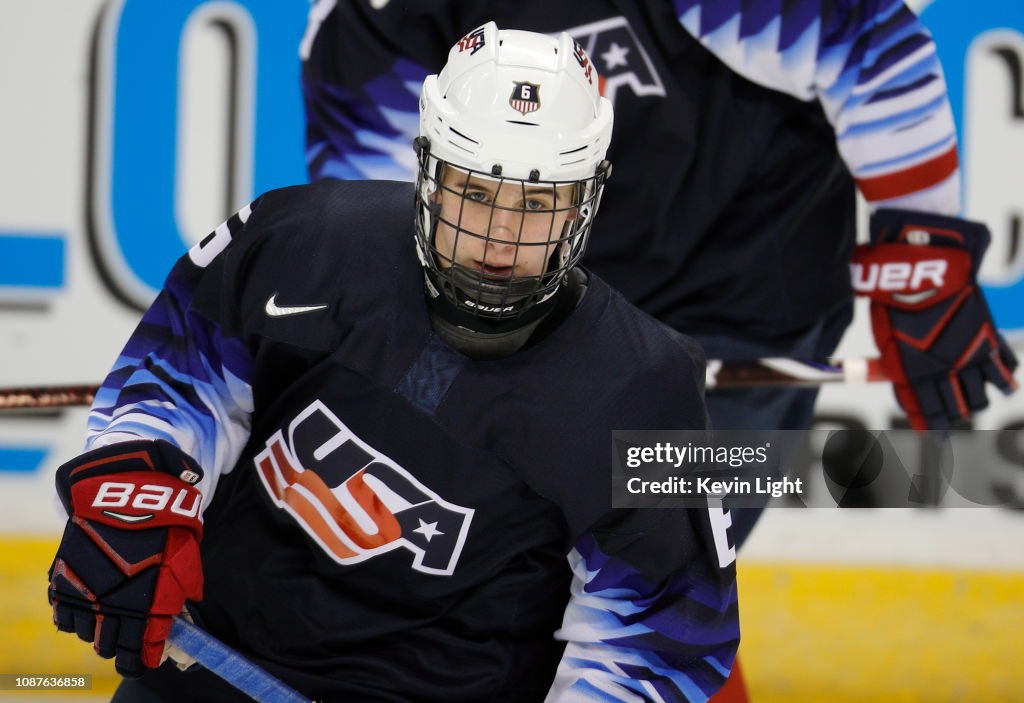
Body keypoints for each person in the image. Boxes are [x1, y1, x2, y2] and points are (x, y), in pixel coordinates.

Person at [47, 24, 739, 702]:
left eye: (536, 203)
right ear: (430, 172)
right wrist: (135, 496)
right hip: (214, 668)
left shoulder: (652, 387)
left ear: (584, 202)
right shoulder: (297, 239)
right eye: (475, 192)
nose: (499, 239)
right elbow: (176, 374)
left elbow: (667, 634)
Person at [300, 0, 1019, 545]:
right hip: (529, 308)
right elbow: (384, 202)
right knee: (491, 559)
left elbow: (869, 46)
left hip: (755, 318)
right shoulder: (375, 15)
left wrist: (925, 268)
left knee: (672, 542)